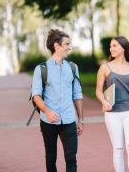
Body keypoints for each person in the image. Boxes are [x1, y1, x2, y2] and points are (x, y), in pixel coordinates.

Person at [31, 29, 84, 172]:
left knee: (71, 158)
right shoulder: (41, 69)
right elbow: (36, 95)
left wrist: (80, 119)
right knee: (50, 157)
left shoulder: (73, 68)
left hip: (68, 120)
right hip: (49, 121)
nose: (69, 47)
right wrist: (47, 112)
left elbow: (77, 94)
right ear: (56, 46)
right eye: (67, 44)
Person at [96, 36, 129, 172]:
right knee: (118, 148)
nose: (111, 48)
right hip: (112, 114)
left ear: (124, 48)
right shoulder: (105, 68)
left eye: (115, 45)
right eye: (110, 46)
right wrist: (104, 101)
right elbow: (98, 91)